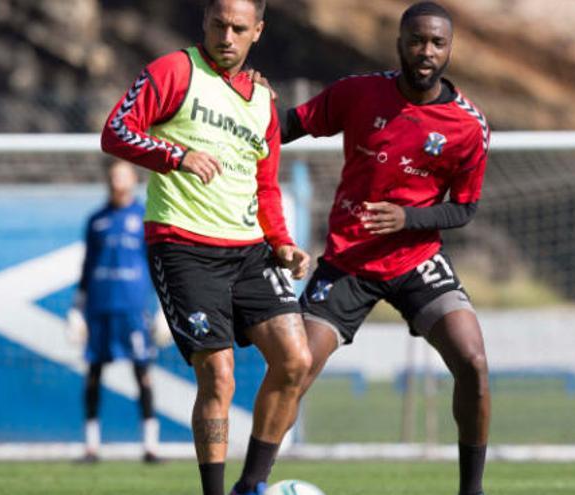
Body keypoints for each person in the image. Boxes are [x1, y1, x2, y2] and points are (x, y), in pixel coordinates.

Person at [100, 1, 312, 494]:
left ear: (257, 32)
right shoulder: (175, 71)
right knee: (219, 376)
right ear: (205, 22)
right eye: (219, 24)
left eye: (240, 28)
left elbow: (266, 185)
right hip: (183, 245)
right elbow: (116, 131)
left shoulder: (262, 101)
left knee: (295, 360)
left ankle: (252, 485)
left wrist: (282, 242)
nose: (228, 36)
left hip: (249, 250)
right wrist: (177, 155)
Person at [281, 2, 491, 494]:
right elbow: (289, 126)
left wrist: (409, 219)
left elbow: (463, 209)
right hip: (348, 262)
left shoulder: (468, 126)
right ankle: (252, 483)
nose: (426, 51)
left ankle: (471, 490)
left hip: (417, 261)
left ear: (449, 49)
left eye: (437, 43)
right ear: (400, 44)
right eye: (417, 40)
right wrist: (242, 126)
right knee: (294, 370)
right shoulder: (359, 93)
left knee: (474, 362)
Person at [72, 159, 160, 463]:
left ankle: (150, 445)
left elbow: (156, 264)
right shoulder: (96, 219)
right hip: (99, 306)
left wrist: (162, 307)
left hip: (133, 307)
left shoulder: (145, 217)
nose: (117, 182)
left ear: (133, 179)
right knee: (94, 373)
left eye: (123, 176)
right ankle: (91, 445)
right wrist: (77, 307)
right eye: (113, 176)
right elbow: (87, 265)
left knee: (142, 372)